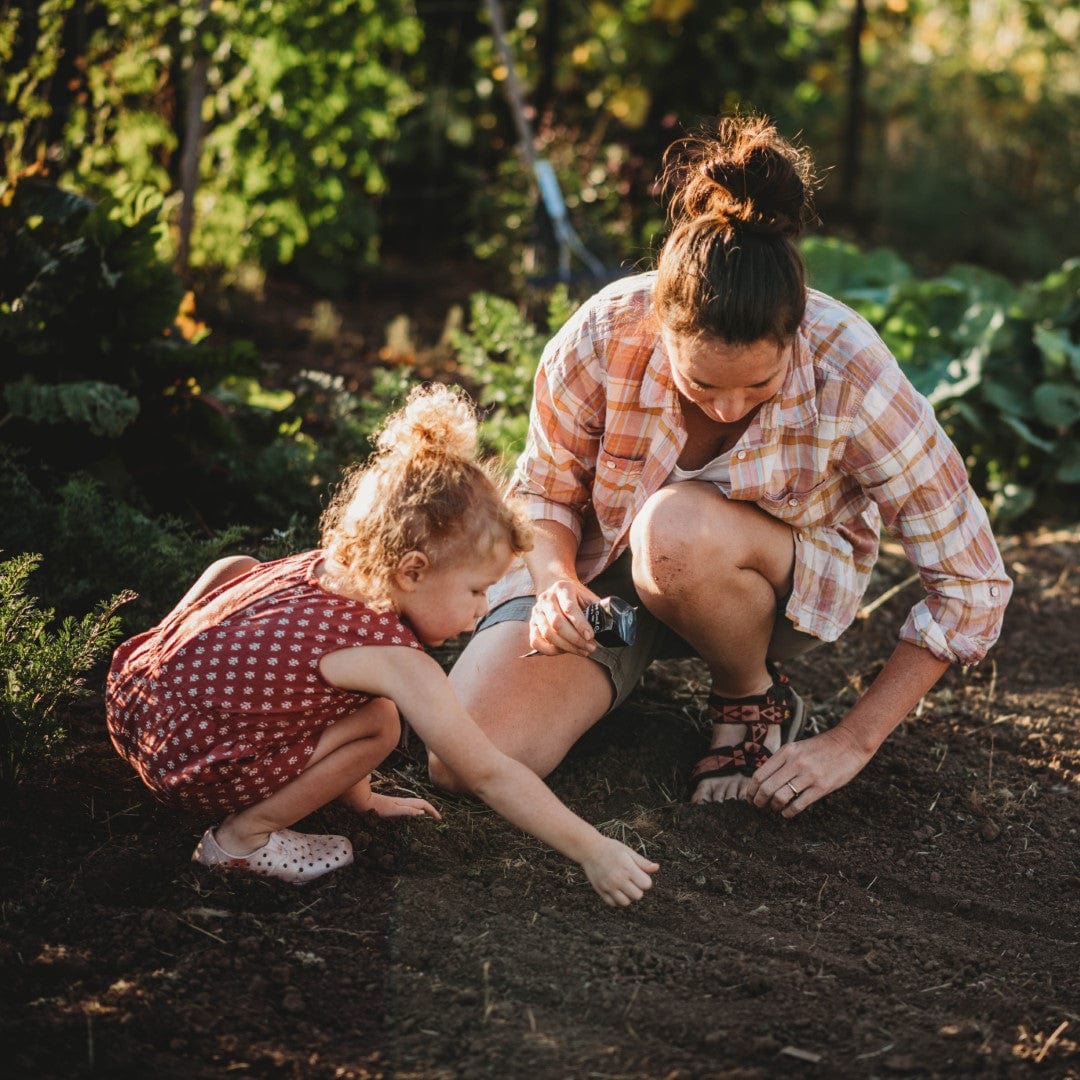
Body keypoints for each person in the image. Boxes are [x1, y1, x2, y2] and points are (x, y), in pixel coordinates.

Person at [433, 114, 1012, 816]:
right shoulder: (603, 333)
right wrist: (556, 584)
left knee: (673, 533)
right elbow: (546, 492)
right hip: (604, 579)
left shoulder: (850, 367)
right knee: (465, 760)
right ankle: (616, 663)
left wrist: (853, 741)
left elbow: (970, 582)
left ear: (797, 335)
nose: (731, 407)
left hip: (763, 586)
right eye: (702, 384)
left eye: (759, 387)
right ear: (661, 325)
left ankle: (749, 694)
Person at [106, 384, 658, 905]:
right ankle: (241, 840)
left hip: (132, 706)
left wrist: (361, 799)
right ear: (413, 571)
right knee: (381, 724)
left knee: (238, 567)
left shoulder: (330, 569)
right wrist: (593, 849)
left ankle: (330, 790)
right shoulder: (396, 658)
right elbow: (489, 772)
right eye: (475, 590)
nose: (483, 609)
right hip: (189, 765)